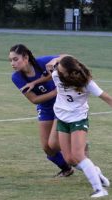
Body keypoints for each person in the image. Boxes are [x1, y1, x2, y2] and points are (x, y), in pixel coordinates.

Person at [47, 55, 112, 198]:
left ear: (71, 73)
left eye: (60, 71)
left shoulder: (86, 83)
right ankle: (96, 172)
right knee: (69, 159)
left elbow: (109, 99)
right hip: (61, 119)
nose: (57, 72)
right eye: (57, 70)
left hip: (78, 119)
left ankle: (100, 190)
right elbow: (60, 61)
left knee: (78, 155)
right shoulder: (55, 74)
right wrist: (55, 62)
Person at [9, 44, 73, 177]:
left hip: (61, 104)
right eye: (10, 60)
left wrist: (55, 60)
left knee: (54, 144)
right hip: (45, 107)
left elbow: (68, 58)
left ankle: (78, 146)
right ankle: (66, 169)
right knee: (47, 147)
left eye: (15, 59)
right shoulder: (16, 77)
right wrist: (57, 91)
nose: (12, 63)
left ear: (26, 58)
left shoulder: (42, 62)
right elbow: (34, 99)